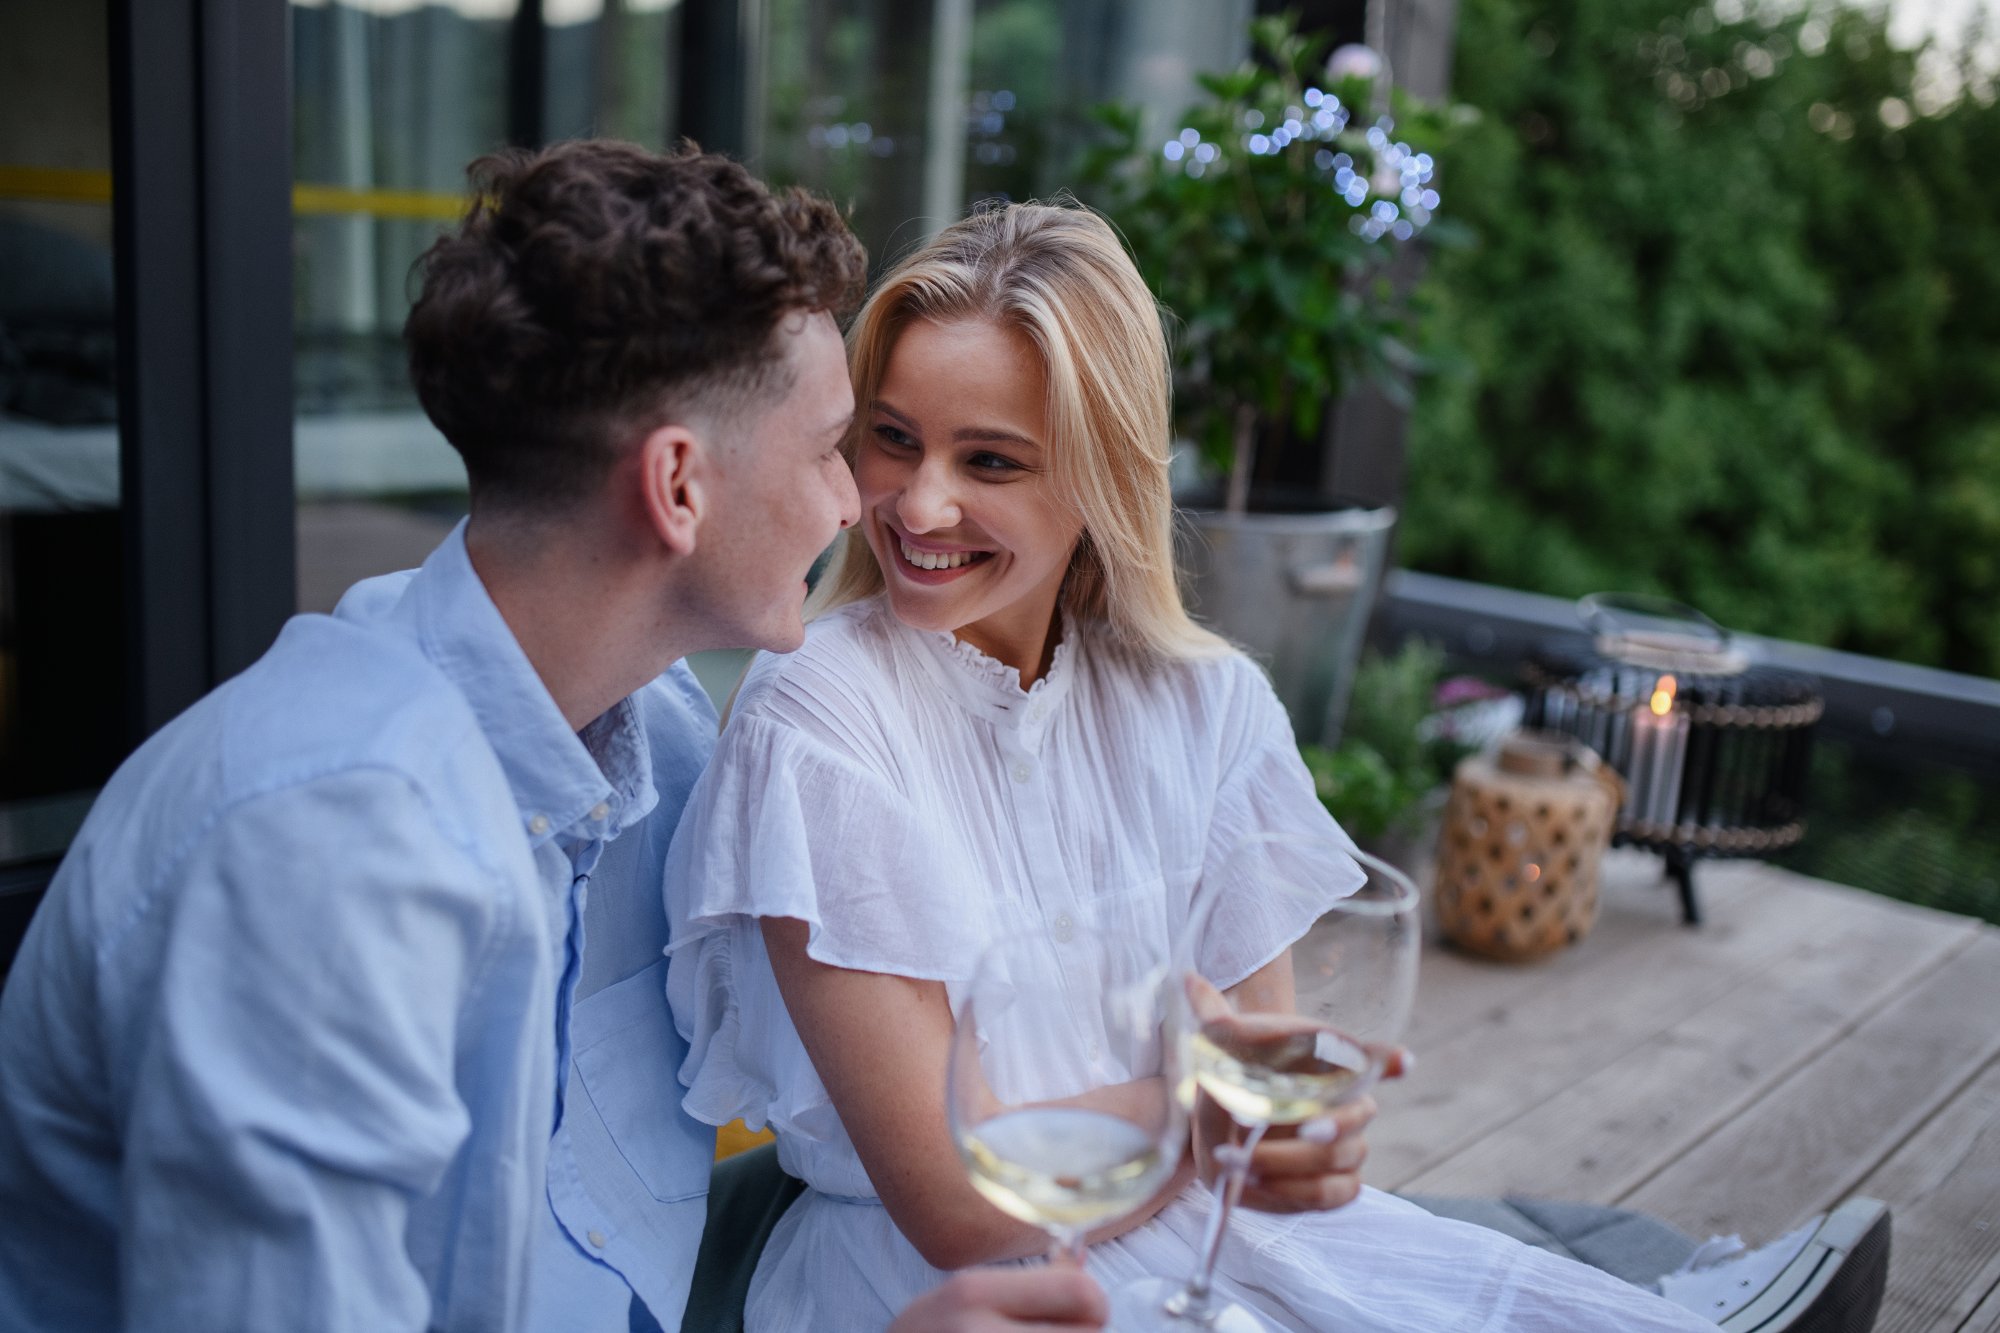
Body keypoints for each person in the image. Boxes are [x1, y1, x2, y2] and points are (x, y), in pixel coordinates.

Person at [660, 201, 1883, 1332]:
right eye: (891, 439)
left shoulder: (1207, 705)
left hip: (1193, 1225)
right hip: (930, 1284)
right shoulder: (814, 718)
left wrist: (1298, 1143)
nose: (918, 506)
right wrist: (1206, 1128)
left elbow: (1261, 1074)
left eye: (989, 462)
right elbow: (953, 1201)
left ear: (1101, 474)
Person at [0, 143, 1105, 1333]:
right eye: (827, 447)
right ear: (678, 486)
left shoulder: (666, 737)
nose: (854, 503)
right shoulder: (320, 858)